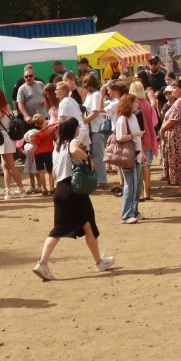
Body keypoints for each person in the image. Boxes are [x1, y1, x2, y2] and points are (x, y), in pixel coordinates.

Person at [30, 117, 117, 281]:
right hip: (74, 190)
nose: (79, 128)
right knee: (88, 224)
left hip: (60, 190)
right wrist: (88, 158)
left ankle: (43, 263)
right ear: (73, 129)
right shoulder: (72, 142)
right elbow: (75, 150)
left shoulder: (57, 146)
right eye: (77, 126)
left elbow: (55, 172)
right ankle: (99, 262)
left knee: (62, 229)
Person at [110, 89, 145, 224]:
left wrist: (142, 153)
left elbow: (137, 138)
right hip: (128, 156)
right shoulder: (122, 119)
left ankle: (134, 211)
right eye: (134, 102)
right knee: (130, 185)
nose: (137, 104)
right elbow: (120, 138)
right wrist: (135, 135)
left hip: (136, 154)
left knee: (137, 185)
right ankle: (125, 215)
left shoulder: (133, 117)